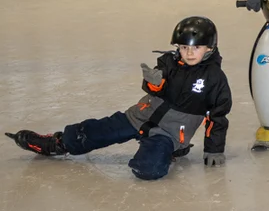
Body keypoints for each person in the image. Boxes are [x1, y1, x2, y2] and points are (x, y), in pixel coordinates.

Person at [6, 17, 231, 181]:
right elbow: (155, 89)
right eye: (184, 47)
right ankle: (59, 142)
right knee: (96, 131)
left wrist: (214, 149)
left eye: (196, 48)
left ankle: (167, 151)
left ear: (210, 47)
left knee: (148, 170)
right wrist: (154, 82)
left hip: (169, 133)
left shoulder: (214, 79)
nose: (189, 53)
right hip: (138, 116)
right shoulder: (168, 62)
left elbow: (217, 116)